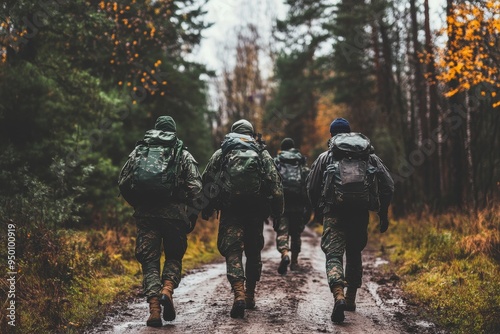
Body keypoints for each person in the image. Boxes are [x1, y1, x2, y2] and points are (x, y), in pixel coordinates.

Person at [306, 117, 394, 324]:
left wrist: (318, 211)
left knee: (334, 255)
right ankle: (351, 299)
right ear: (350, 133)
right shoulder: (369, 157)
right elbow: (388, 185)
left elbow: (311, 187)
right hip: (359, 213)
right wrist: (383, 213)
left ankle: (339, 295)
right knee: (354, 253)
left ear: (331, 135)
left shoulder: (325, 157)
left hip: (333, 212)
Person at [201, 119, 284, 318]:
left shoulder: (223, 152)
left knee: (232, 250)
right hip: (255, 212)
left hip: (231, 211)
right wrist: (277, 214)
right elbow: (276, 188)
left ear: (233, 133)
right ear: (252, 133)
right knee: (254, 251)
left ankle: (238, 292)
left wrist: (206, 208)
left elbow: (207, 180)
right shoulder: (261, 153)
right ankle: (249, 295)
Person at [131, 116, 202, 327]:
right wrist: (192, 213)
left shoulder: (139, 152)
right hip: (174, 215)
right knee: (173, 256)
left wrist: (138, 204)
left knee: (150, 261)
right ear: (174, 132)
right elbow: (197, 189)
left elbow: (124, 182)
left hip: (146, 215)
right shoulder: (182, 154)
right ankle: (167, 291)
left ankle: (154, 310)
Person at [273, 138, 312, 274]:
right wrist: (309, 207)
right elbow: (308, 185)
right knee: (296, 234)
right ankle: (294, 262)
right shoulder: (301, 162)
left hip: (283, 204)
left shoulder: (277, 162)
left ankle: (285, 253)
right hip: (299, 204)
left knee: (282, 232)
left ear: (282, 148)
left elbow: (272, 182)